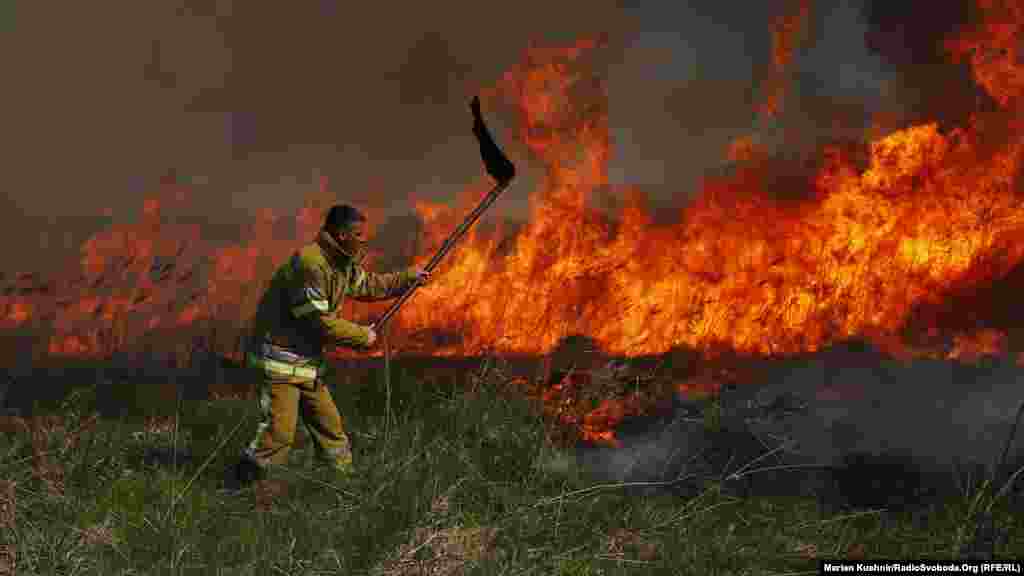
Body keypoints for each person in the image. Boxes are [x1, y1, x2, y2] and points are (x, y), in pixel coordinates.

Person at [228, 204, 429, 488]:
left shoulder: (341, 263)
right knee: (278, 435)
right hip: (280, 363)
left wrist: (408, 278)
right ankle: (243, 487)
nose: (364, 239)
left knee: (330, 429)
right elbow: (319, 322)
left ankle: (340, 487)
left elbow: (369, 285)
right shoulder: (311, 265)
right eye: (359, 234)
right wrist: (362, 336)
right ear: (342, 234)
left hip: (307, 365)